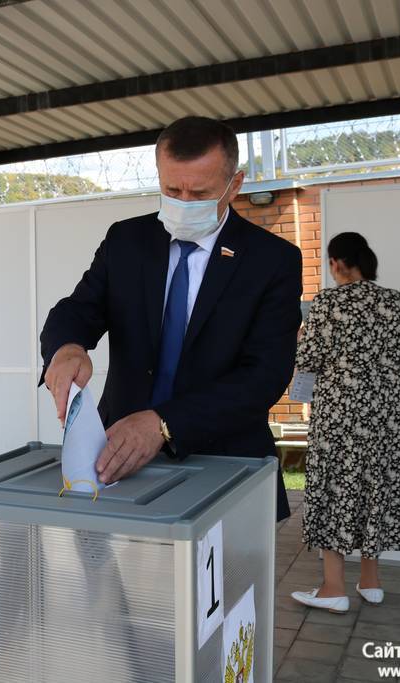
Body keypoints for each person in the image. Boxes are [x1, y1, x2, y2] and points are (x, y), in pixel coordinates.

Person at [40, 116, 302, 521]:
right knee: (117, 584)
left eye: (199, 193)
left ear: (234, 185)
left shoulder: (272, 260)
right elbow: (79, 309)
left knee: (220, 584)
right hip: (116, 460)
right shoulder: (127, 241)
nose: (182, 202)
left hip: (224, 461)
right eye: (171, 189)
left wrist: (164, 424)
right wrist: (67, 347)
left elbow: (264, 376)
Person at [290, 232, 400, 613]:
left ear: (336, 262)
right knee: (377, 484)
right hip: (388, 411)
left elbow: (311, 357)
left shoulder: (328, 303)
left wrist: (304, 341)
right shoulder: (394, 300)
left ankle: (333, 587)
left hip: (341, 410)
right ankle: (371, 581)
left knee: (336, 485)